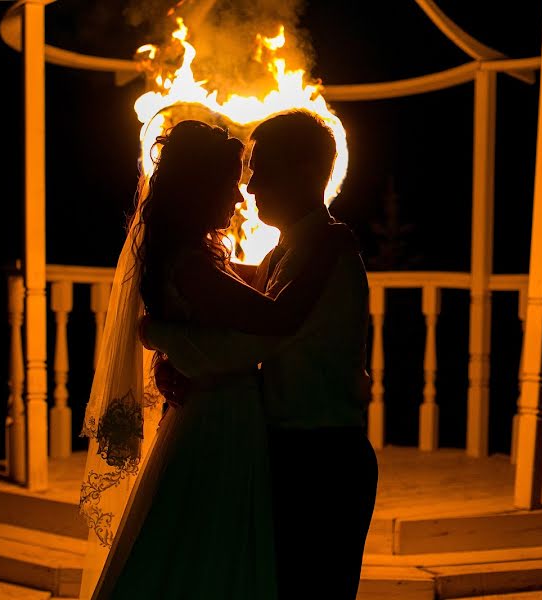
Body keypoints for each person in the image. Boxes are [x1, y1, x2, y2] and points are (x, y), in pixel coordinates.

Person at [78, 118, 349, 600]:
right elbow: (273, 320)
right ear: (200, 189)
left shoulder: (193, 259)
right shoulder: (191, 265)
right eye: (230, 185)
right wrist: (330, 249)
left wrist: (166, 338)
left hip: (226, 416)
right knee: (208, 551)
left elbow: (242, 299)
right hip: (218, 422)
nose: (242, 197)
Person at [141, 108, 379, 600]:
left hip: (322, 460)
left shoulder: (329, 253)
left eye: (262, 170)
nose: (249, 189)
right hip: (288, 455)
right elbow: (244, 306)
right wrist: (172, 342)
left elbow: (256, 338)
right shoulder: (290, 252)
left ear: (306, 173)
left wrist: (162, 337)